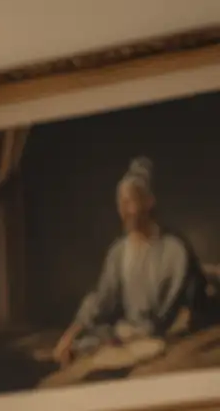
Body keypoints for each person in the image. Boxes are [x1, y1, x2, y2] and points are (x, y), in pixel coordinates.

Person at [53, 156, 200, 365]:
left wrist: (152, 333)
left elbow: (182, 311)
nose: (123, 210)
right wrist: (69, 336)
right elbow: (100, 300)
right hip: (125, 337)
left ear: (149, 201)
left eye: (130, 201)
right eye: (120, 203)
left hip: (156, 340)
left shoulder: (175, 251)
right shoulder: (118, 252)